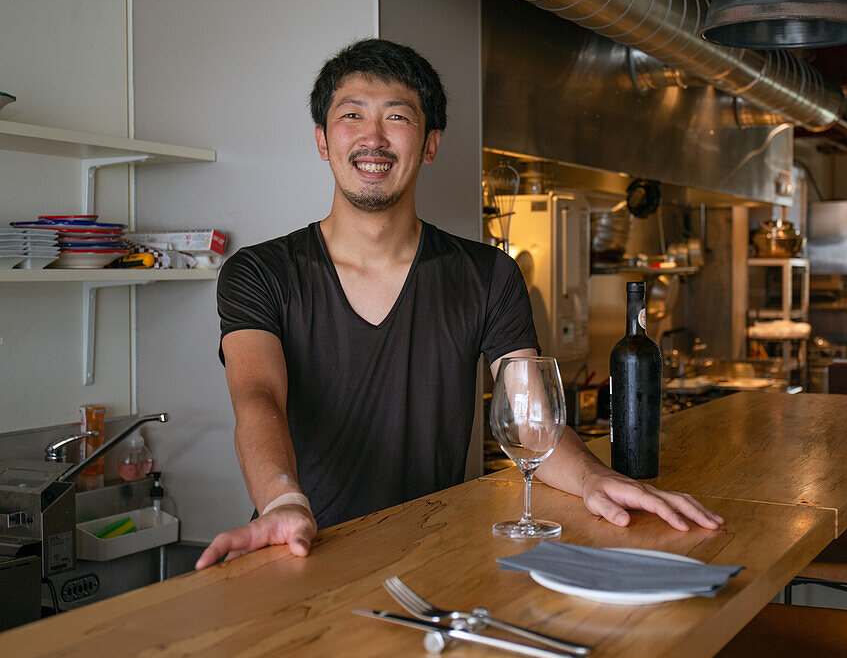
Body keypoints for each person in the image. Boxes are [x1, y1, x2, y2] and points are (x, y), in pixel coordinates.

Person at [195, 39, 721, 570]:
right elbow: (257, 396)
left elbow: (530, 415)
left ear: (430, 144)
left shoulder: (488, 275)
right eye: (351, 115)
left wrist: (595, 479)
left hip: (436, 555)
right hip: (302, 551)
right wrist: (283, 501)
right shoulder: (260, 272)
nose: (372, 138)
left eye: (397, 117)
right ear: (322, 140)